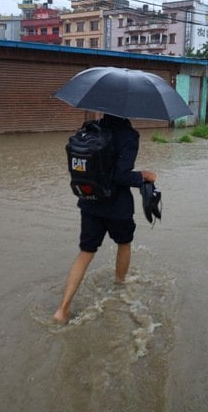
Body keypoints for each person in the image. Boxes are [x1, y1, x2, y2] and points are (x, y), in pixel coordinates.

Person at [53, 113, 157, 324]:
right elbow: (120, 176)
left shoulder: (89, 130)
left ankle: (61, 310)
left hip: (89, 202)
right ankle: (120, 284)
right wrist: (143, 176)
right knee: (124, 243)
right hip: (117, 207)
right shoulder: (129, 136)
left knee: (85, 252)